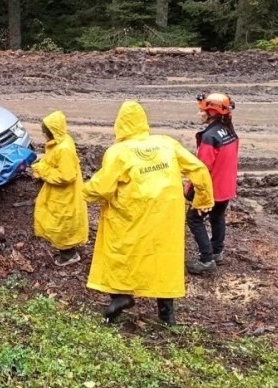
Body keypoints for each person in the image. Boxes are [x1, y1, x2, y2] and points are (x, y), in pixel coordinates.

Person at [83, 101, 214, 325]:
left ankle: (121, 297)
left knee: (122, 253)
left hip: (132, 214)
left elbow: (102, 187)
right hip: (167, 214)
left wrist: (80, 193)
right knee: (165, 259)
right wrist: (203, 199)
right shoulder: (166, 143)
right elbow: (198, 168)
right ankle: (167, 314)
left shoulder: (118, 152)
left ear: (120, 124)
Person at [185, 92, 240, 274]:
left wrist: (190, 189)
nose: (199, 114)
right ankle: (217, 251)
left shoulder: (210, 137)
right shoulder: (229, 131)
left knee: (194, 218)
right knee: (217, 217)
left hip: (212, 189)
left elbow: (202, 168)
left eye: (202, 111)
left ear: (213, 112)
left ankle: (206, 259)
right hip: (226, 187)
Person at [30, 111, 89, 267]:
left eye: (45, 132)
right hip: (61, 193)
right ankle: (67, 250)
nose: (44, 135)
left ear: (52, 131)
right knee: (61, 221)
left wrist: (42, 170)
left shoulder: (63, 149)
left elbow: (66, 176)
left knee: (63, 223)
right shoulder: (61, 141)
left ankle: (69, 255)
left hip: (64, 195)